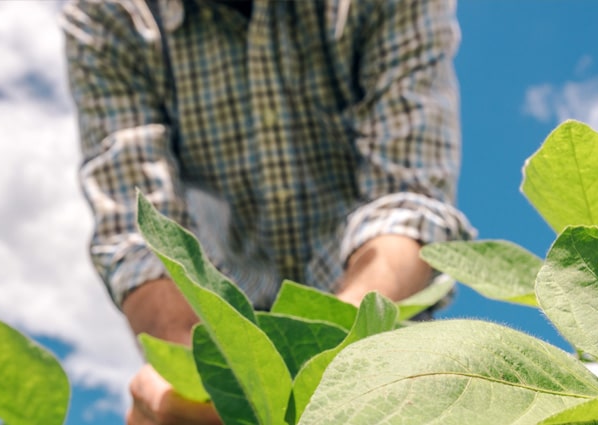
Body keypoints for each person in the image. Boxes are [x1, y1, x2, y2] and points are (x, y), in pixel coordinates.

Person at [62, 0, 474, 423]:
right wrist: (198, 380)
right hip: (222, 338)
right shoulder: (112, 13)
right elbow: (141, 237)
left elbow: (407, 200)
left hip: (370, 357)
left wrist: (328, 361)